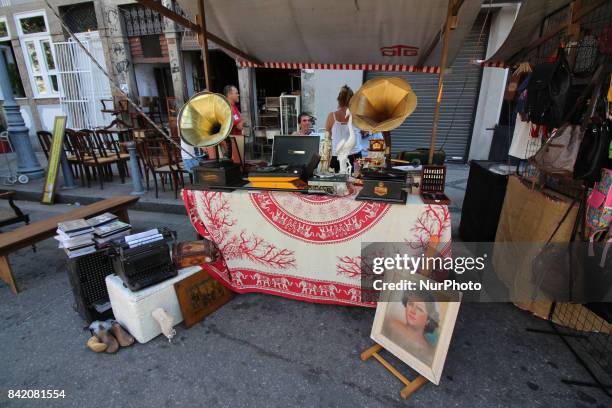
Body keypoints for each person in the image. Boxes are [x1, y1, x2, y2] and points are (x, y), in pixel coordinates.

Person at [382, 292, 440, 366]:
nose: (413, 311)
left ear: (428, 320)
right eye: (410, 304)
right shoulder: (391, 323)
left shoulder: (428, 350)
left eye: (419, 309)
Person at [325, 85, 363, 172]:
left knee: (336, 183)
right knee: (355, 182)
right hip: (355, 155)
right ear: (352, 100)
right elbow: (365, 132)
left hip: (337, 155)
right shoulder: (357, 116)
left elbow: (328, 137)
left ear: (338, 99)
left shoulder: (331, 116)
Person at [207, 85, 243, 164]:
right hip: (232, 143)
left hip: (233, 142)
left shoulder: (233, 107)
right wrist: (244, 119)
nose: (238, 95)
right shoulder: (230, 108)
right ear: (230, 94)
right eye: (236, 93)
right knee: (236, 166)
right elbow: (239, 126)